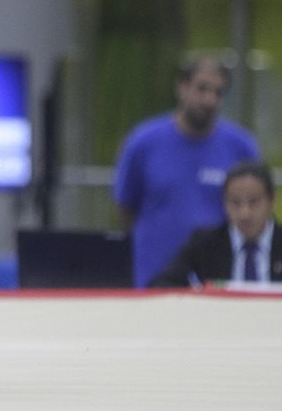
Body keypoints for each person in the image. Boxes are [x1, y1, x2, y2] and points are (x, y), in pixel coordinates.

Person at [114, 55, 259, 287]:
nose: (209, 99)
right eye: (202, 89)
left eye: (218, 92)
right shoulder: (142, 143)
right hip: (155, 282)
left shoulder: (241, 146)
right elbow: (126, 209)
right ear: (181, 87)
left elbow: (254, 212)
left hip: (218, 284)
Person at [150, 160, 282, 287]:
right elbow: (162, 284)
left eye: (254, 202)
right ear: (224, 204)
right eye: (235, 202)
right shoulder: (205, 244)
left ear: (271, 200)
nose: (244, 213)